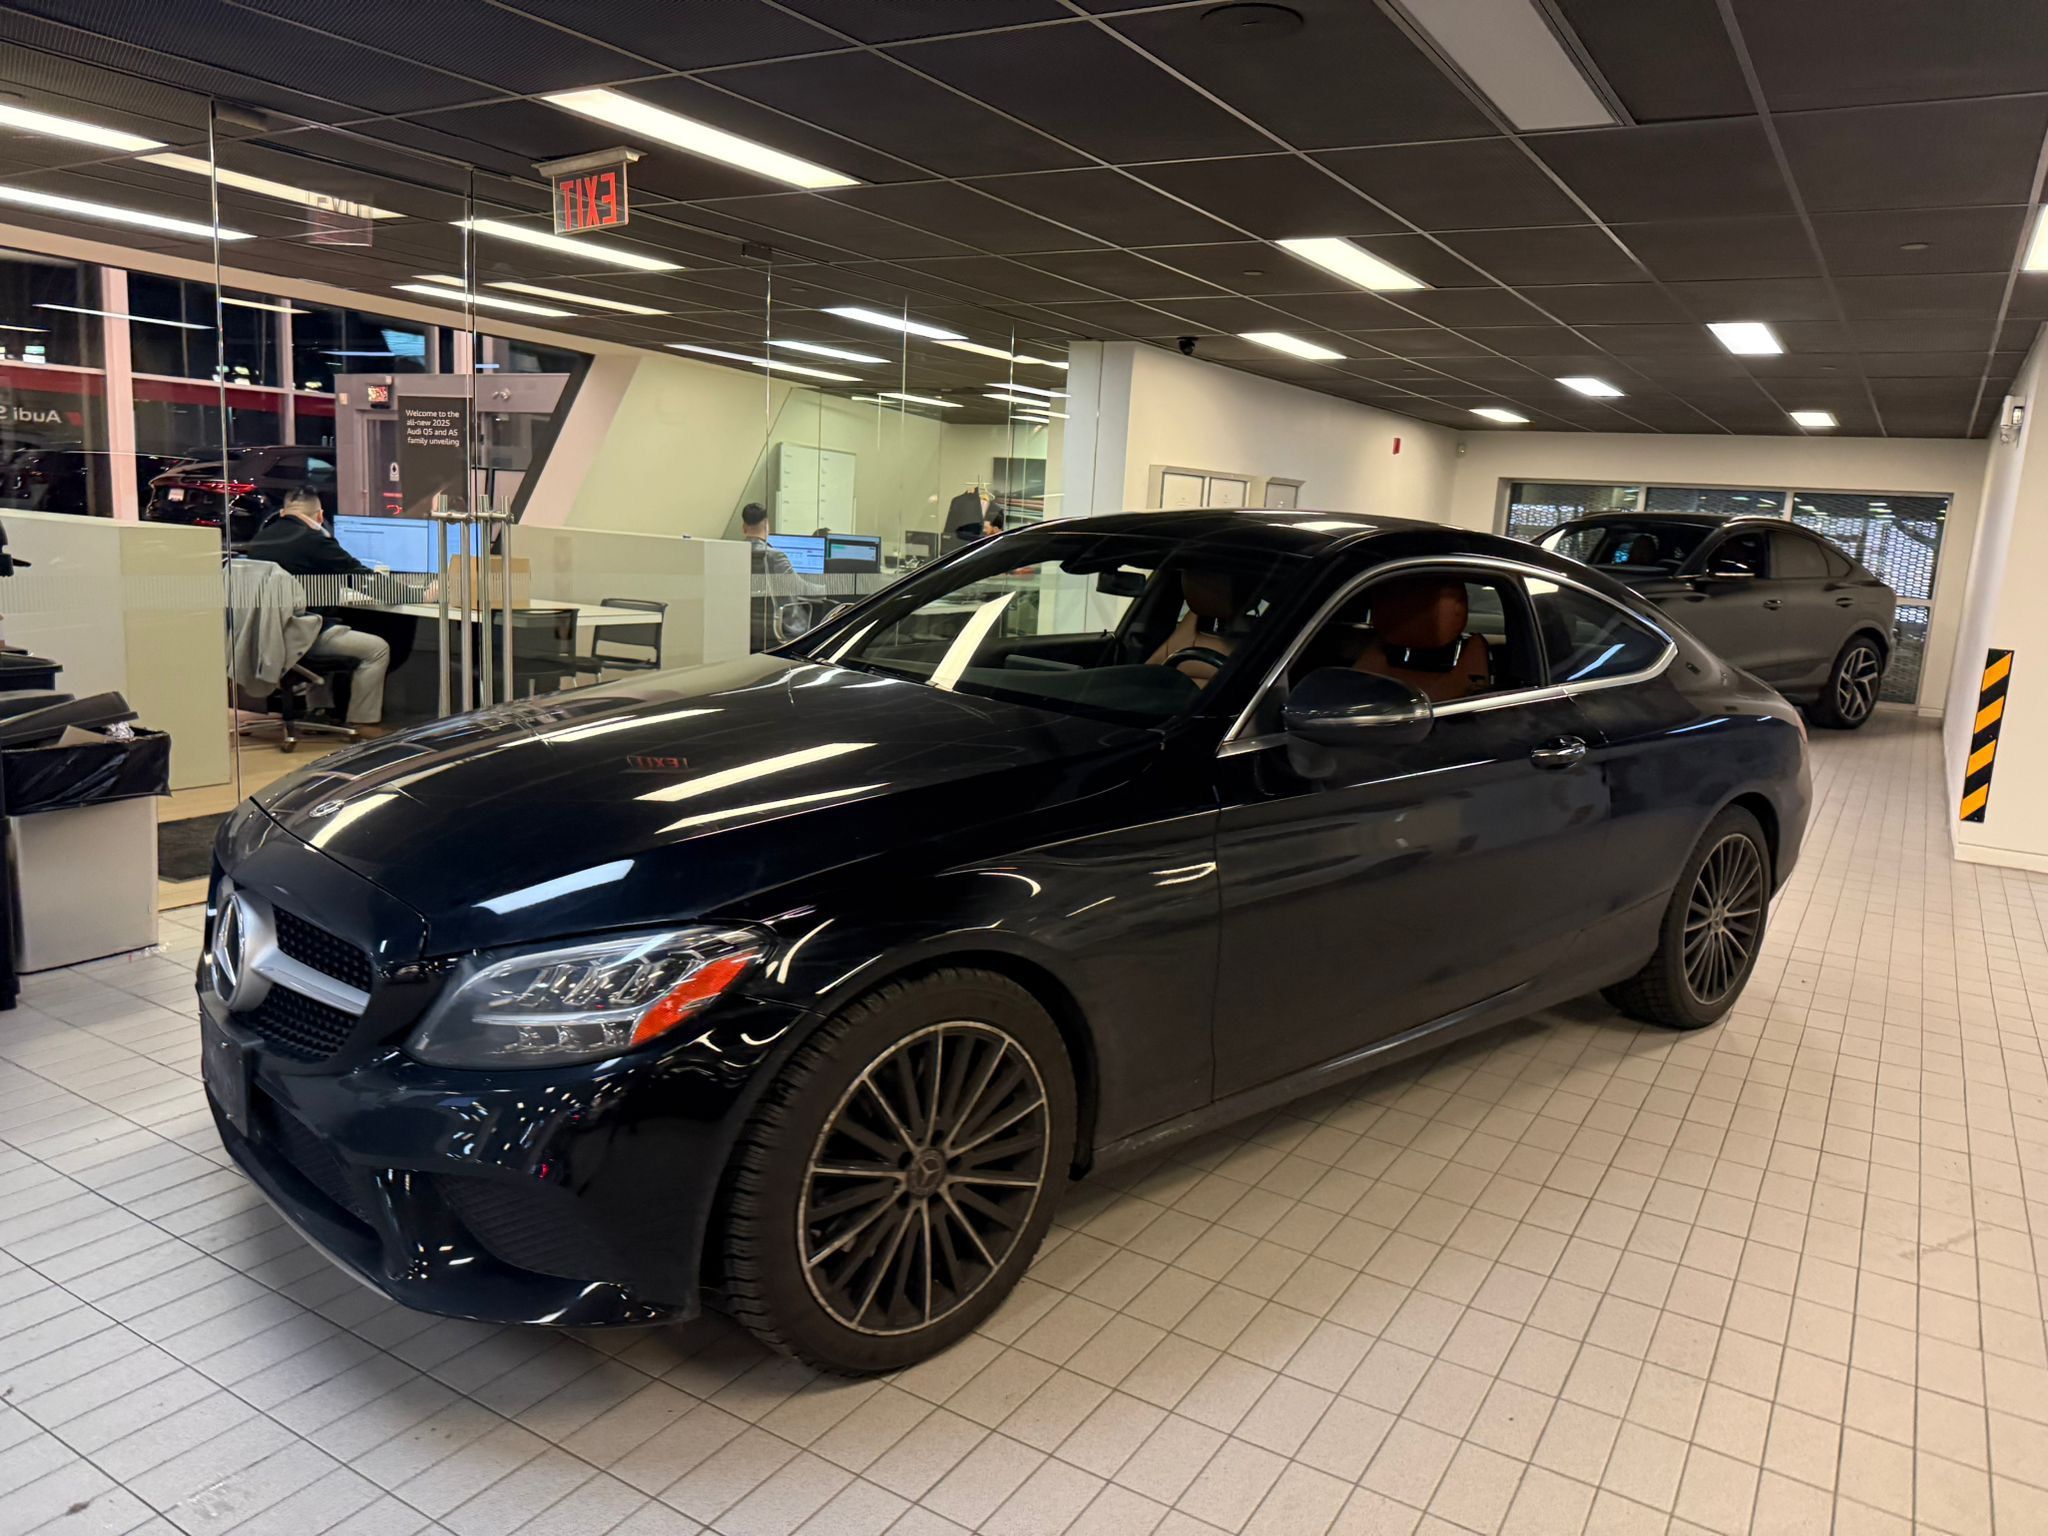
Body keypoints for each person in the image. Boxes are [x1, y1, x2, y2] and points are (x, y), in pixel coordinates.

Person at [239, 491, 391, 731]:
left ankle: (318, 711)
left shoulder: (260, 539)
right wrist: (419, 594)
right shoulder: (313, 540)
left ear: (282, 513)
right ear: (320, 516)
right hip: (295, 636)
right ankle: (362, 722)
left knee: (323, 623)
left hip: (261, 636)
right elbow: (360, 578)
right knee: (377, 649)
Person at [741, 503, 826, 651]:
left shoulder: (734, 552)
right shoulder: (775, 556)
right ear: (767, 525)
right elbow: (801, 588)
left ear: (743, 527)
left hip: (747, 629)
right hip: (778, 630)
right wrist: (827, 588)